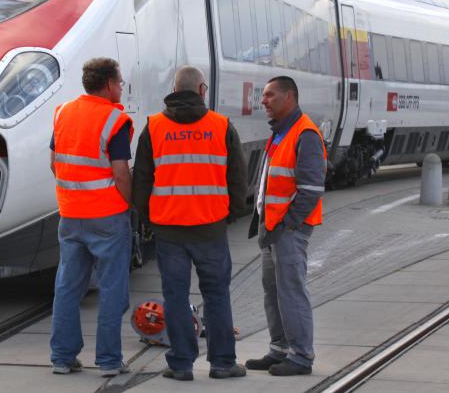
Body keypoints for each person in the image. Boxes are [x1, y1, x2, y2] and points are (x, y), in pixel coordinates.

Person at [132, 66, 248, 381]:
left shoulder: (154, 127)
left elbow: (141, 180)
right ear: (202, 89)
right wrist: (231, 213)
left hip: (169, 231)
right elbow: (238, 177)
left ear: (173, 89)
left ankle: (181, 364)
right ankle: (223, 363)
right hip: (210, 227)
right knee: (217, 295)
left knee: (175, 296)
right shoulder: (221, 126)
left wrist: (147, 218)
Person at [49, 57, 134, 378]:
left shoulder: (63, 113)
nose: (122, 87)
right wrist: (128, 204)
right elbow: (121, 173)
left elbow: (54, 163)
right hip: (108, 216)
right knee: (112, 289)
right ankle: (110, 360)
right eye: (121, 82)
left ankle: (61, 357)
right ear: (110, 84)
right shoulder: (114, 120)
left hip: (70, 215)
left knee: (68, 287)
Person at [245, 76, 326, 377]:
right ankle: (279, 349)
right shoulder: (281, 132)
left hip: (288, 230)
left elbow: (312, 189)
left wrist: (289, 225)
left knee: (290, 290)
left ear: (289, 97)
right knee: (273, 290)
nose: (263, 101)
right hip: (274, 228)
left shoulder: (305, 134)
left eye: (270, 95)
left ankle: (302, 357)